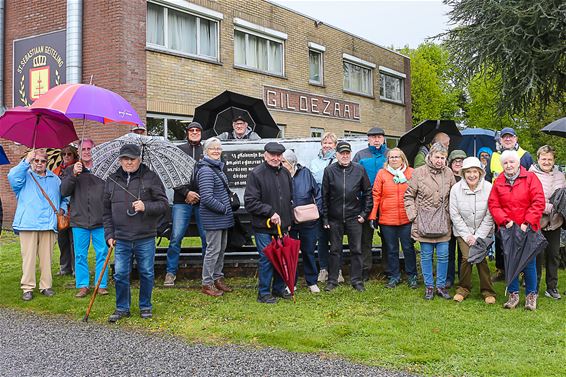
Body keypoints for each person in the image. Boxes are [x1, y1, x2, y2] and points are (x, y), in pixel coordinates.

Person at [103, 144, 168, 322]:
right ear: (120, 160)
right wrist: (109, 234)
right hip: (121, 237)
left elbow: (163, 204)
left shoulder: (151, 178)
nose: (128, 162)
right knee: (120, 273)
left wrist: (146, 206)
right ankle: (122, 307)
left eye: (132, 159)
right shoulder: (112, 180)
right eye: (125, 159)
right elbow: (106, 211)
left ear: (139, 159)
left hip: (145, 236)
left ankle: (145, 306)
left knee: (146, 272)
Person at [8, 149, 68, 301]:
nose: (39, 164)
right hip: (28, 224)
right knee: (28, 258)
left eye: (42, 161)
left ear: (46, 162)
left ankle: (46, 286)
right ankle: (27, 287)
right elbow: (12, 177)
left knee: (47, 258)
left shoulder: (55, 179)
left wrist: (62, 209)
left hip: (48, 224)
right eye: (36, 160)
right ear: (32, 161)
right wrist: (26, 160)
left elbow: (65, 197)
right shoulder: (24, 175)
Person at [488, 150, 545, 310]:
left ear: (518, 163)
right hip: (509, 228)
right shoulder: (498, 182)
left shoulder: (530, 178)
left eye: (511, 162)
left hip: (527, 227)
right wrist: (505, 221)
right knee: (510, 260)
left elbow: (538, 200)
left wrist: (527, 221)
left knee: (528, 262)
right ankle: (513, 295)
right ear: (502, 165)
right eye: (505, 163)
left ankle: (531, 296)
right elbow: (494, 204)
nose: (509, 165)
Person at [405, 143, 456, 300]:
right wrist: (414, 216)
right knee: (426, 255)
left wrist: (451, 215)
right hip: (424, 221)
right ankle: (428, 286)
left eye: (443, 158)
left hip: (443, 222)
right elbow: (408, 196)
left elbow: (454, 196)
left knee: (443, 256)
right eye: (437, 157)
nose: (440, 160)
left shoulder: (448, 173)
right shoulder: (419, 172)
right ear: (430, 156)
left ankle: (440, 286)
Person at [244, 142, 294, 304]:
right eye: (272, 155)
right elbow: (250, 202)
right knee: (267, 258)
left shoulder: (286, 173)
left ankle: (278, 289)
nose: (275, 158)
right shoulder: (256, 174)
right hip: (263, 226)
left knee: (281, 258)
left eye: (278, 155)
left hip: (282, 226)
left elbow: (288, 199)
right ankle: (263, 293)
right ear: (265, 155)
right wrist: (270, 212)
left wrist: (288, 221)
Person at [60, 139, 109, 298]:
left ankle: (101, 284)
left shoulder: (103, 170)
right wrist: (73, 174)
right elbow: (64, 191)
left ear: (94, 150)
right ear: (79, 152)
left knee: (102, 252)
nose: (87, 151)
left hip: (100, 220)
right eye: (84, 149)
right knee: (80, 254)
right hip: (79, 220)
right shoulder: (70, 170)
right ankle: (83, 285)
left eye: (89, 148)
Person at [322, 141, 372, 292]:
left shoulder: (359, 169)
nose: (345, 156)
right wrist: (325, 218)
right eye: (342, 153)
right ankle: (332, 280)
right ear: (336, 154)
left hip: (354, 217)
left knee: (356, 250)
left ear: (350, 154)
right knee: (335, 250)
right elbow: (324, 195)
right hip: (334, 218)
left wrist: (364, 214)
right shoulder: (329, 170)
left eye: (347, 153)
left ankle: (357, 280)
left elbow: (368, 192)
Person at [488, 127, 534, 282]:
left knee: (522, 241)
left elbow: (530, 179)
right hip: (499, 205)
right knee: (501, 239)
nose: (507, 139)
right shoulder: (494, 156)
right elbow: (488, 178)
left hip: (521, 206)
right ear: (500, 140)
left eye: (510, 137)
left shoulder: (525, 156)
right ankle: (502, 269)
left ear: (516, 138)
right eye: (504, 137)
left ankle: (521, 272)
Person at [164, 121, 207, 287]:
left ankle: (207, 273)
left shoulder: (207, 150)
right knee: (175, 237)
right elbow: (171, 175)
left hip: (203, 201)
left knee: (206, 238)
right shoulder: (178, 150)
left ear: (201, 133)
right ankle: (170, 272)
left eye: (197, 130)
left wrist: (201, 194)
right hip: (182, 201)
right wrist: (186, 192)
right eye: (192, 130)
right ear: (187, 132)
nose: (195, 132)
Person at [368, 148, 417, 289]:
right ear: (388, 159)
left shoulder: (411, 173)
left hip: (406, 218)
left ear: (403, 159)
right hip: (387, 219)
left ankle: (412, 275)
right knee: (391, 249)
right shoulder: (382, 174)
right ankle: (394, 276)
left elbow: (417, 194)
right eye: (391, 157)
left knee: (408, 248)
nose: (394, 159)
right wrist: (373, 215)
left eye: (397, 157)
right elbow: (376, 195)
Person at [449, 157, 496, 304]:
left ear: (480, 173)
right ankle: (463, 289)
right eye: (468, 172)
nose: (472, 175)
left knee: (481, 258)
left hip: (483, 230)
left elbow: (490, 214)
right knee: (466, 257)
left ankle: (488, 291)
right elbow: (454, 215)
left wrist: (478, 236)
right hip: (464, 231)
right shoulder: (456, 189)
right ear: (463, 173)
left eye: (475, 171)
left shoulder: (488, 187)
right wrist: (467, 235)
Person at [197, 137, 235, 297]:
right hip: (214, 217)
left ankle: (218, 278)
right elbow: (206, 197)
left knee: (220, 250)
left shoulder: (217, 168)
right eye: (212, 148)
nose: (216, 151)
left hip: (222, 218)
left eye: (218, 148)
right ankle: (207, 283)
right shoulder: (206, 170)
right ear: (206, 151)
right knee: (213, 250)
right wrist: (224, 208)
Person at [282, 149, 322, 293]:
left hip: (308, 220)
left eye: (284, 162)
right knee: (290, 252)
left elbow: (317, 193)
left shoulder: (305, 173)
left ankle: (312, 281)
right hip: (289, 221)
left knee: (309, 251)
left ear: (292, 163)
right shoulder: (280, 174)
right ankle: (291, 282)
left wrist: (318, 211)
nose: (281, 164)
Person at [529, 145, 565, 300]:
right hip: (537, 221)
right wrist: (548, 207)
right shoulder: (531, 174)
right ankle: (534, 287)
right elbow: (529, 198)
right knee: (537, 255)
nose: (547, 161)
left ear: (554, 160)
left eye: (550, 159)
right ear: (538, 159)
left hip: (555, 222)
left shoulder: (560, 175)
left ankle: (552, 287)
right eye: (544, 159)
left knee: (554, 254)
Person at [353, 127, 387, 281]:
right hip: (366, 201)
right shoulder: (361, 155)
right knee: (365, 237)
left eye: (379, 137)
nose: (376, 139)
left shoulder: (390, 155)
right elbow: (353, 175)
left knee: (388, 237)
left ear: (383, 138)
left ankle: (388, 269)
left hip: (386, 201)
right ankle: (365, 268)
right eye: (373, 137)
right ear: (368, 139)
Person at [309, 132, 343, 283]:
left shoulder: (339, 160)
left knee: (336, 240)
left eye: (330, 143)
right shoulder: (314, 162)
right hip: (320, 205)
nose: (327, 145)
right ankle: (323, 269)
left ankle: (338, 270)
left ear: (335, 145)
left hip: (335, 205)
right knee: (322, 239)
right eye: (325, 142)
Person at [53, 144, 78, 276]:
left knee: (74, 241)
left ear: (74, 155)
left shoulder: (78, 168)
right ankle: (65, 267)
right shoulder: (57, 171)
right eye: (64, 154)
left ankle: (75, 268)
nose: (67, 156)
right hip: (61, 211)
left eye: (69, 154)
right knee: (62, 241)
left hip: (75, 210)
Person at [446, 149, 466, 288]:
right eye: (455, 161)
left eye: (461, 161)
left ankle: (463, 278)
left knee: (462, 252)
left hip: (464, 220)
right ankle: (449, 277)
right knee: (448, 250)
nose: (458, 163)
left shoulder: (469, 177)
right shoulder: (446, 177)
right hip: (447, 219)